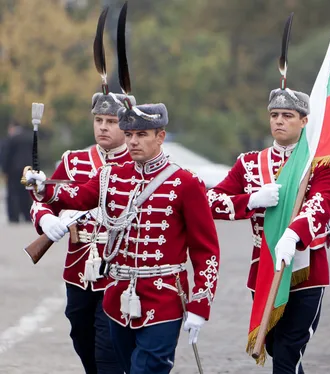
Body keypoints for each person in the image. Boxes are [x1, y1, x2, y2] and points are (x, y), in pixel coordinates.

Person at [23, 5, 220, 371]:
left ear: (161, 136)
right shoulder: (110, 173)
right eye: (127, 134)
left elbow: (206, 251)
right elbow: (75, 195)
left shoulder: (184, 182)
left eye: (140, 134)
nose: (131, 141)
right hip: (115, 296)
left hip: (162, 299)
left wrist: (200, 305)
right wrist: (42, 188)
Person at [27, 12, 134, 371]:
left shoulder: (137, 164)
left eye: (111, 122)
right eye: (98, 121)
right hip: (77, 270)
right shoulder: (73, 161)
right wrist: (47, 221)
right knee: (80, 336)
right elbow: (41, 201)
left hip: (118, 271)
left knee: (108, 352)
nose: (103, 128)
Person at [207, 86, 330, 373]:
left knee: (290, 348)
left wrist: (294, 233)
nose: (279, 121)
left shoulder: (319, 163)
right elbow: (211, 200)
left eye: (287, 115)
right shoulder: (250, 163)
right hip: (265, 266)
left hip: (307, 268)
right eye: (274, 115)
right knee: (278, 347)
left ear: (304, 121)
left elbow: (321, 204)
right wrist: (251, 200)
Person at [1, 121, 33, 223]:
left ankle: (14, 217)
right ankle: (28, 215)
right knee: (26, 193)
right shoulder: (29, 138)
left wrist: (4, 170)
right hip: (27, 170)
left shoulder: (11, 139)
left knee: (13, 194)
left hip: (13, 171)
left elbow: (6, 155)